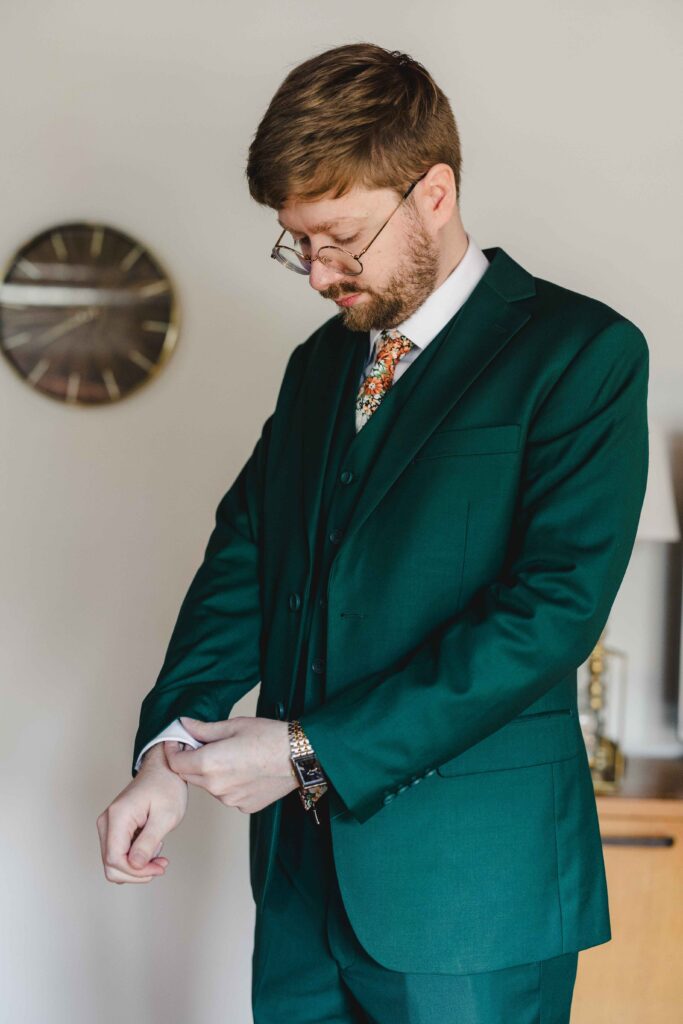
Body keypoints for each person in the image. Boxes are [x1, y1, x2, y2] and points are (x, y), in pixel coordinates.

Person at [97, 42, 649, 1023]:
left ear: (431, 192)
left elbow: (548, 616)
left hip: (473, 901)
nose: (316, 273)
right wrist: (166, 747)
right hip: (301, 895)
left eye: (340, 237)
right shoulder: (316, 367)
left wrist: (304, 749)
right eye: (297, 242)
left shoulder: (581, 355)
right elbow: (246, 563)